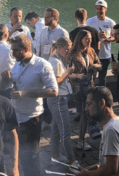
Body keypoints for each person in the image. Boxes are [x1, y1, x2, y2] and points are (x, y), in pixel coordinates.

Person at [3, 34, 58, 176]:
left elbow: (53, 91)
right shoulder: (17, 64)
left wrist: (26, 93)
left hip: (32, 119)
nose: (12, 54)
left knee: (31, 160)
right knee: (21, 158)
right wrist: (5, 79)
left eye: (15, 50)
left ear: (26, 49)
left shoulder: (43, 65)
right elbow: (11, 86)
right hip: (16, 118)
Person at [45, 37, 77, 168]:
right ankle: (72, 160)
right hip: (58, 99)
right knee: (65, 130)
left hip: (57, 99)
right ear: (58, 48)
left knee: (56, 129)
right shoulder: (56, 62)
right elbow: (57, 81)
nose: (68, 52)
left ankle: (55, 155)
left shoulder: (55, 60)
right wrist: (68, 72)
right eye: (66, 49)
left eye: (69, 49)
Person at [69, 30, 102, 151]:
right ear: (80, 39)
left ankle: (86, 135)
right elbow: (67, 73)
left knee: (88, 112)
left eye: (90, 38)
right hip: (79, 89)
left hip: (90, 86)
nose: (89, 41)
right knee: (83, 113)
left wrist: (95, 66)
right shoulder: (72, 54)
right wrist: (78, 76)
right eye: (86, 38)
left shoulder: (91, 51)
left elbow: (100, 64)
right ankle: (81, 140)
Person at [86, 0, 115, 86]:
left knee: (102, 78)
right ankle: (92, 97)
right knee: (91, 78)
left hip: (105, 55)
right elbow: (84, 37)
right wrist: (96, 35)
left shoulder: (111, 22)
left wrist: (108, 39)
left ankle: (102, 96)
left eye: (101, 9)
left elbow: (115, 37)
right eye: (97, 9)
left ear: (106, 9)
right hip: (92, 55)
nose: (99, 11)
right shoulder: (90, 21)